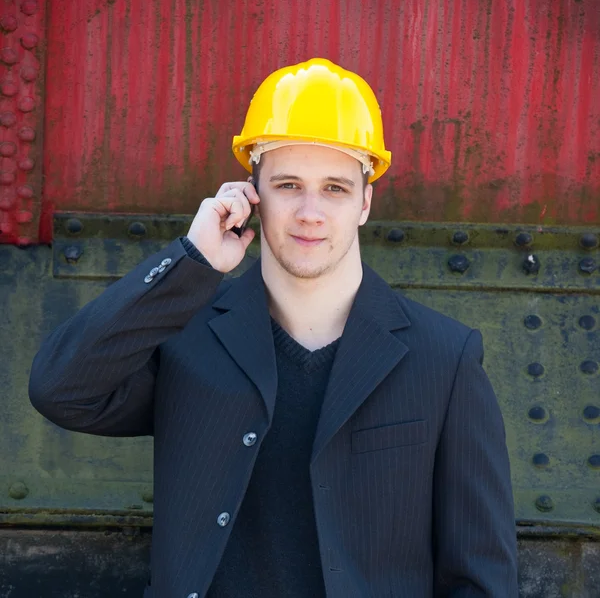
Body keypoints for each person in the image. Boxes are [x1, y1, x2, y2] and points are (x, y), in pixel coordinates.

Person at [29, 58, 518, 597]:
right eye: (288, 184)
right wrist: (192, 262)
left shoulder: (444, 359)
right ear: (252, 195)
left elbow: (481, 578)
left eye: (334, 188)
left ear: (365, 201)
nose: (310, 211)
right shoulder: (188, 339)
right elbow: (61, 389)